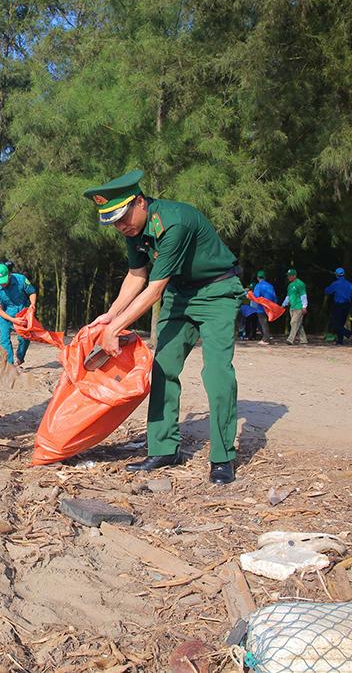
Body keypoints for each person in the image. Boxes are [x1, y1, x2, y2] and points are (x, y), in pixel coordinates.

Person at [83, 170, 243, 485]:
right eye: (113, 222)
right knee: (162, 368)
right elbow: (136, 275)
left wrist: (116, 328)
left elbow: (154, 289)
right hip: (180, 295)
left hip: (217, 292)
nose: (120, 227)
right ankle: (164, 449)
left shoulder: (173, 222)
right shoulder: (134, 230)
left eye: (123, 217)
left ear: (140, 202)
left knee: (217, 372)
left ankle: (223, 457)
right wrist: (110, 315)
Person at [0, 263, 37, 366]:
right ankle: (9, 365)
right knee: (4, 340)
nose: (2, 284)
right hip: (5, 316)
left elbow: (32, 292)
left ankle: (20, 356)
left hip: (22, 313)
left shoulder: (20, 279)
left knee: (25, 338)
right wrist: (12, 320)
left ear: (9, 274)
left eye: (4, 281)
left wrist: (32, 304)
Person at [324, 267, 352, 344]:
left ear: (336, 275)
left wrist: (325, 288)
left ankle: (349, 334)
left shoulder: (335, 284)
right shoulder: (349, 284)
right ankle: (340, 341)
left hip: (338, 305)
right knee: (341, 323)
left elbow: (327, 291)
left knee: (335, 323)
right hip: (347, 306)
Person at [282, 268, 309, 345]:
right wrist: (284, 304)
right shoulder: (290, 285)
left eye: (290, 276)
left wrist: (304, 306)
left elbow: (303, 295)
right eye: (288, 276)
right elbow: (288, 296)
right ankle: (303, 340)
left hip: (299, 306)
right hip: (292, 307)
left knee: (293, 322)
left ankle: (290, 339)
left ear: (294, 276)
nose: (288, 277)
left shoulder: (300, 284)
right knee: (298, 324)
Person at [251, 270, 277, 345]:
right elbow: (274, 297)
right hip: (270, 307)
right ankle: (268, 337)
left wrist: (249, 294)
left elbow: (256, 296)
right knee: (267, 322)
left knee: (263, 322)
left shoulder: (258, 286)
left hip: (261, 308)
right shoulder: (270, 286)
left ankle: (266, 339)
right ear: (265, 277)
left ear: (257, 278)